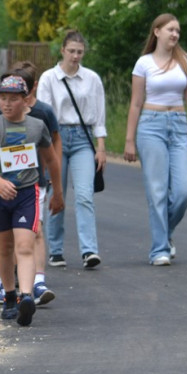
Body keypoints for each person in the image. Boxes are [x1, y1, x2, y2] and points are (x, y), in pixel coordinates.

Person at [0, 73, 64, 326]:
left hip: (27, 192)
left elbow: (51, 160)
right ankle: (10, 297)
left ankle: (27, 297)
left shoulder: (37, 126)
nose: (6, 104)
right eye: (3, 98)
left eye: (12, 99)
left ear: (25, 100)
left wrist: (57, 192)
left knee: (25, 245)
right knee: (4, 248)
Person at [123, 13, 187, 266]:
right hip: (151, 126)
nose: (175, 34)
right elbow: (135, 103)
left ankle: (165, 234)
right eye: (170, 29)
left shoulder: (184, 60)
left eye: (178, 30)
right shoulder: (143, 63)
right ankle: (159, 249)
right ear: (156, 31)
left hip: (178, 126)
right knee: (157, 191)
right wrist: (129, 140)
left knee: (184, 189)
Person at [36, 29, 107, 269]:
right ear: (62, 51)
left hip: (82, 139)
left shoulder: (92, 79)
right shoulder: (49, 78)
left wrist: (101, 147)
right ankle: (55, 250)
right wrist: (45, 148)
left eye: (80, 52)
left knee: (85, 194)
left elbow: (99, 115)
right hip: (56, 137)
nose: (76, 56)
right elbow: (44, 114)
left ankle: (89, 250)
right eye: (72, 51)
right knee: (58, 193)